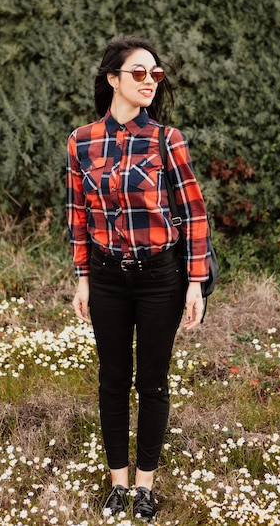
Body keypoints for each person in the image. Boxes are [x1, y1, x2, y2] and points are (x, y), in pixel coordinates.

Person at [66, 36, 210, 522]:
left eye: (156, 74)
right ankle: (118, 483)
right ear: (113, 79)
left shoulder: (167, 140)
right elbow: (78, 216)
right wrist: (83, 277)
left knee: (152, 382)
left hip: (160, 280)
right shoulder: (81, 141)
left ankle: (145, 486)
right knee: (112, 381)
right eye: (139, 73)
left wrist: (195, 282)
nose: (150, 81)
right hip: (106, 278)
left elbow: (193, 214)